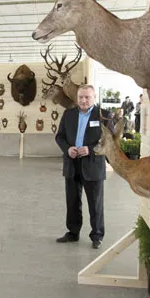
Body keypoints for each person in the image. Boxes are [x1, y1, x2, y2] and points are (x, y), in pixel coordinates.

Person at [54, 85, 109, 249]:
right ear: (76, 98)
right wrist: (67, 149)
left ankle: (97, 236)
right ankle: (73, 232)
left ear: (94, 97)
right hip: (72, 164)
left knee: (95, 203)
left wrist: (90, 149)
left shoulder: (104, 116)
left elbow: (109, 143)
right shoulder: (68, 114)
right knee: (72, 202)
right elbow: (60, 137)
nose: (84, 100)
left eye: (87, 97)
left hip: (93, 165)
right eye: (81, 97)